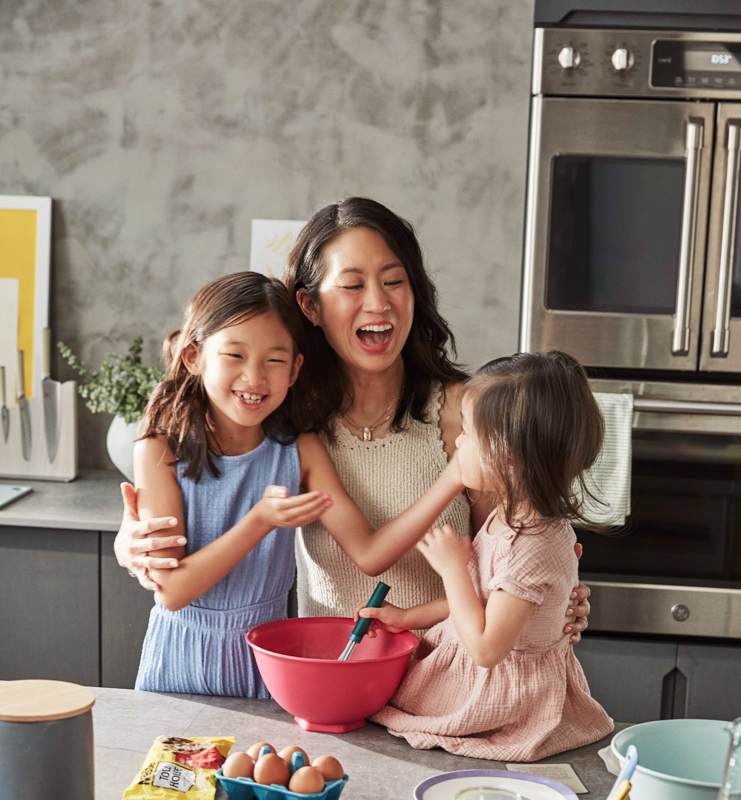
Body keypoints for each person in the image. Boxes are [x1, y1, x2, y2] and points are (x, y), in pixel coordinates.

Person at [114, 197, 592, 644]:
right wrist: (128, 545)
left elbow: (519, 545)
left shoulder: (466, 414)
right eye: (352, 285)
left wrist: (553, 595)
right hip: (332, 679)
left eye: (393, 280)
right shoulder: (280, 410)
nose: (378, 304)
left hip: (453, 681)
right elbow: (202, 494)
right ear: (309, 305)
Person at [133, 271, 463, 698]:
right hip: (175, 665)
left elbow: (369, 553)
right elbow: (173, 591)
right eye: (234, 355)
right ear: (194, 357)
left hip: (266, 668)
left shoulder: (301, 451)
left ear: (294, 369)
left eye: (274, 360)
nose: (254, 378)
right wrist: (261, 520)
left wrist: (452, 478)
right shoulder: (161, 449)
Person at [362, 351, 614, 761]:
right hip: (475, 677)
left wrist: (452, 569)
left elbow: (485, 649)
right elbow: (484, 600)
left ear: (507, 455)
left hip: (502, 702)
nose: (458, 443)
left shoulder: (533, 544)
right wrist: (408, 617)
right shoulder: (509, 513)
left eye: (468, 434)